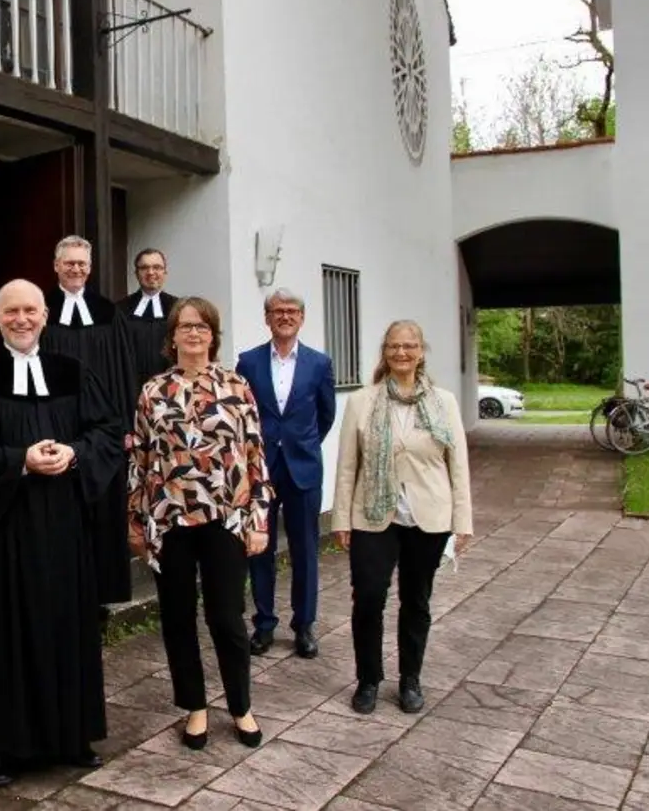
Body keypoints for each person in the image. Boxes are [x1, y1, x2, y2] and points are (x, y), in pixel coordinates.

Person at [0, 279, 126, 788]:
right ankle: (3, 746)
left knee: (66, 624)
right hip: (3, 531)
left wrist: (75, 454)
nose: (22, 319)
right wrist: (18, 461)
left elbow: (107, 433)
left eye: (30, 310)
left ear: (45, 316)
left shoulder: (73, 371)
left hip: (63, 526)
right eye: (11, 312)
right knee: (5, 633)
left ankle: (72, 736)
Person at [128, 297, 272, 751]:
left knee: (226, 617)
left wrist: (260, 518)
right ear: (172, 337)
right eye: (185, 326)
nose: (193, 333)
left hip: (225, 518)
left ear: (213, 335)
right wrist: (135, 518)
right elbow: (140, 458)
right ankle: (195, 708)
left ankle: (241, 706)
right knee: (177, 617)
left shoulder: (237, 387)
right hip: (169, 518)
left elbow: (254, 456)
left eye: (202, 326)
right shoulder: (153, 391)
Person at [330, 320, 473, 715]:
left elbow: (457, 464)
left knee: (416, 600)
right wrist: (340, 518)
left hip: (429, 517)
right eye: (394, 346)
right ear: (384, 352)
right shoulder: (362, 401)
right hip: (374, 515)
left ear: (421, 351)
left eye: (409, 346)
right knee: (369, 598)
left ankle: (410, 679)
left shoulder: (443, 402)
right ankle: (368, 679)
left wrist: (463, 522)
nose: (401, 353)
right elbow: (346, 466)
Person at [235, 289, 337, 658]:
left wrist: (301, 445)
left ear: (302, 317)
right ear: (267, 317)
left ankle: (304, 625)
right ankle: (264, 623)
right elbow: (241, 415)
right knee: (259, 547)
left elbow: (325, 415)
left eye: (292, 311)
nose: (285, 316)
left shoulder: (319, 364)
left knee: (305, 548)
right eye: (277, 311)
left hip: (303, 470)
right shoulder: (247, 363)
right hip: (260, 469)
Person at [40, 235, 138, 608]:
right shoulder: (41, 309)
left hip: (100, 431)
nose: (76, 269)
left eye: (82, 263)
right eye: (69, 263)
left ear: (90, 268)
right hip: (55, 424)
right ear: (56, 265)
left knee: (101, 505)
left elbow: (125, 371)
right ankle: (60, 589)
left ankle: (98, 591)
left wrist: (126, 424)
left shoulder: (110, 314)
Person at [116, 248, 179, 386]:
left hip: (171, 386)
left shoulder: (179, 308)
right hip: (131, 385)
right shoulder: (120, 309)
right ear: (136, 273)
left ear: (165, 272)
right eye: (144, 268)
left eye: (157, 267)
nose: (151, 272)